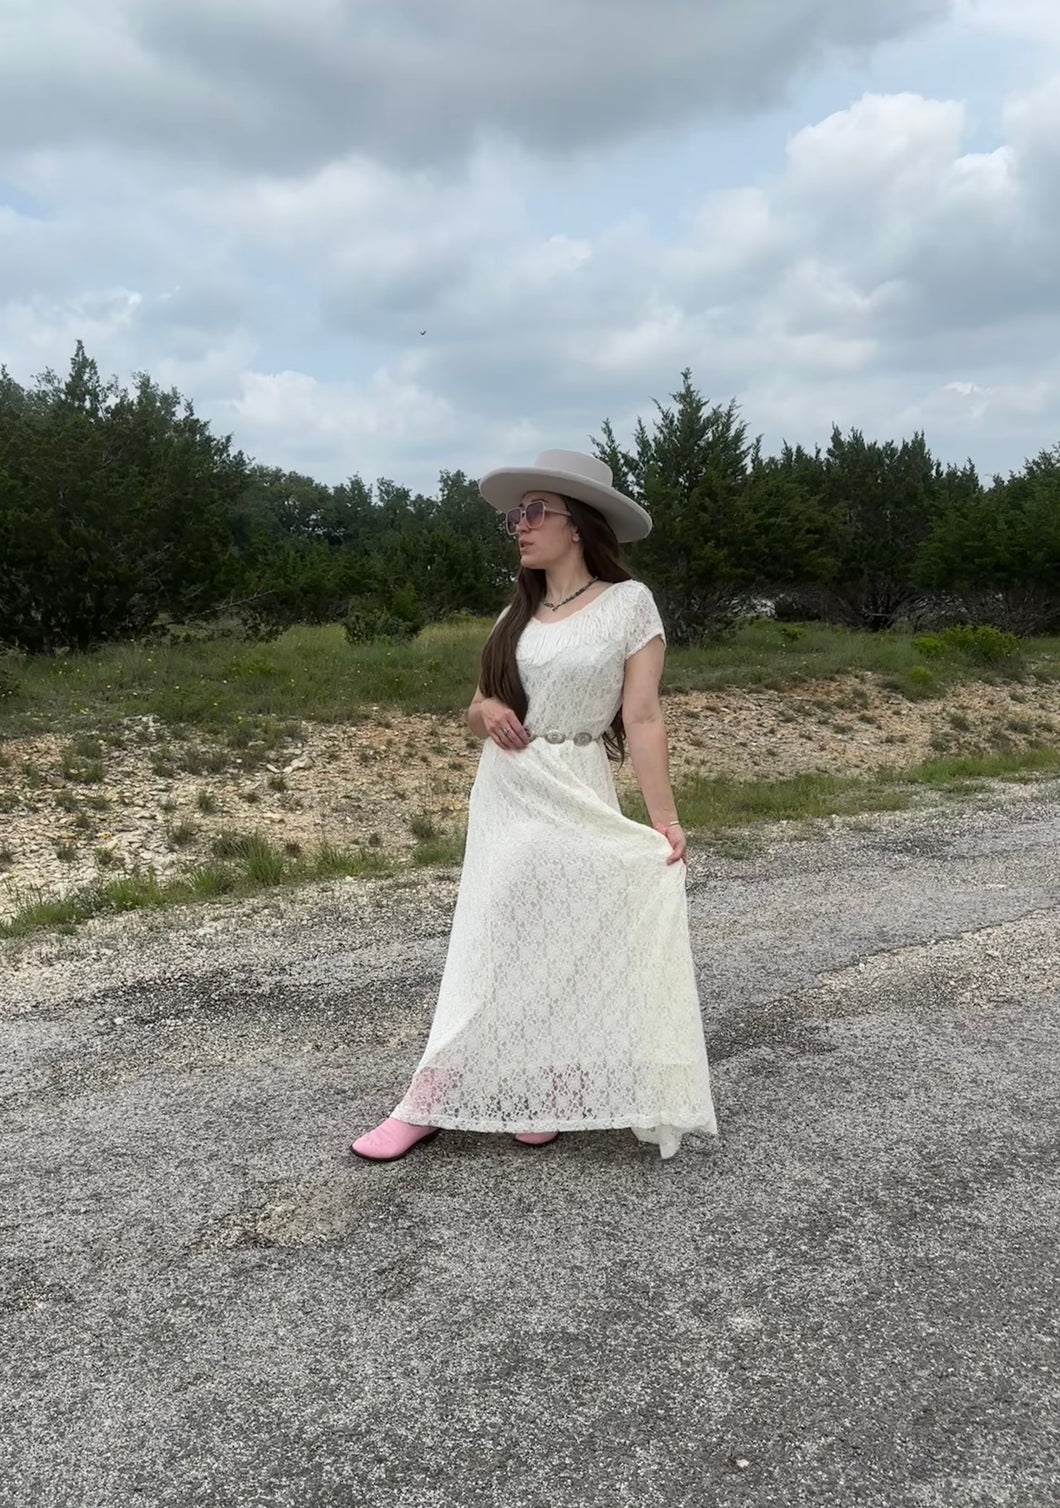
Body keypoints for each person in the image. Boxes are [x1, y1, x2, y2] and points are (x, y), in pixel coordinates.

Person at [350, 449, 717, 1162]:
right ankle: (427, 1098)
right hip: (510, 787)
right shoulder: (516, 610)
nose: (518, 525)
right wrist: (484, 712)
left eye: (533, 511)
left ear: (576, 524)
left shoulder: (628, 604)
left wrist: (663, 818)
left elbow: (642, 718)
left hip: (575, 782)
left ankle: (545, 1088)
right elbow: (479, 705)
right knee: (491, 933)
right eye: (516, 515)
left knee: (568, 932)